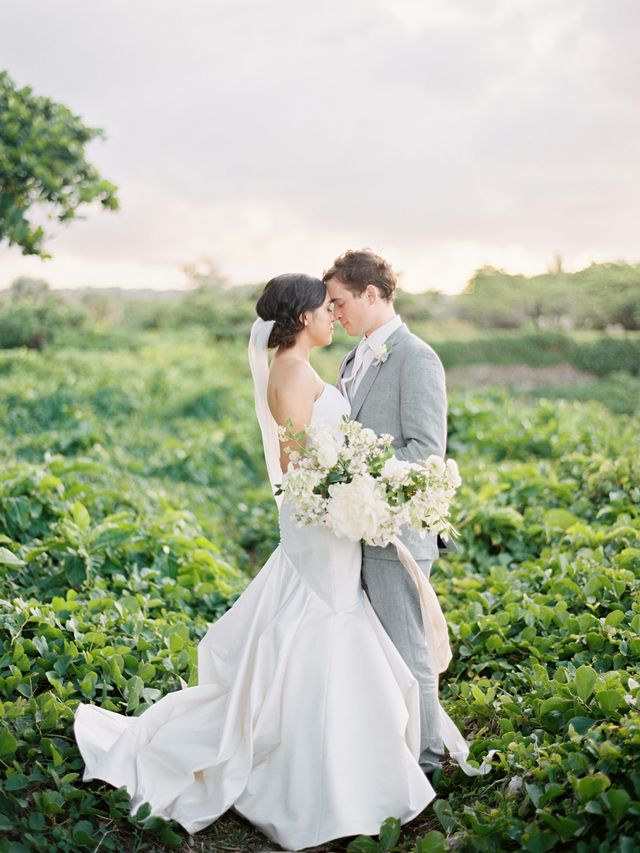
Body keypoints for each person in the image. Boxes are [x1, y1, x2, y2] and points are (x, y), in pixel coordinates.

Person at [73, 273, 437, 852]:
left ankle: (350, 767)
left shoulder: (304, 368)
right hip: (323, 525)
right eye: (324, 309)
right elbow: (299, 469)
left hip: (333, 524)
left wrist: (364, 488)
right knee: (320, 629)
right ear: (299, 319)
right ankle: (319, 782)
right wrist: (353, 495)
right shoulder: (291, 373)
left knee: (329, 630)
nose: (331, 318)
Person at [324, 249, 448, 777]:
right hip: (358, 530)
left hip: (396, 531)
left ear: (371, 293)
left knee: (408, 650)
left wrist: (355, 475)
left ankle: (427, 761)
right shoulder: (353, 359)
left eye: (339, 302)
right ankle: (388, 756)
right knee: (374, 655)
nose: (334, 314)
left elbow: (425, 452)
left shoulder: (415, 357)